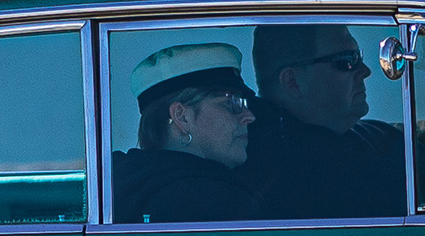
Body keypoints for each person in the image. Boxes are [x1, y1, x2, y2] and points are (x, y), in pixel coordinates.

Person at [247, 23, 409, 220]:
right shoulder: (302, 174)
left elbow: (404, 139)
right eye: (346, 61)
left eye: (358, 56)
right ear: (292, 82)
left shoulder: (334, 134)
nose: (365, 71)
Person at [110, 42, 260, 223]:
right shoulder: (220, 202)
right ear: (182, 116)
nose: (249, 116)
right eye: (232, 102)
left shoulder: (114, 193)